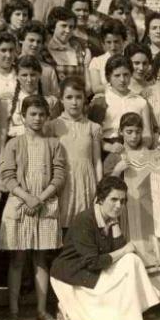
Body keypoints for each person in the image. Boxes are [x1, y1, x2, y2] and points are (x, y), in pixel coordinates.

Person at [50, 176, 160, 320]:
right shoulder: (85, 220)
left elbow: (121, 253)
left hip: (92, 272)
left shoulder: (110, 217)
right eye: (113, 199)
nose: (118, 205)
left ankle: (133, 312)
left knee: (131, 260)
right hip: (73, 276)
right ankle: (66, 308)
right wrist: (124, 250)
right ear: (100, 199)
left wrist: (115, 225)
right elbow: (94, 262)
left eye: (122, 201)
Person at [0, 95, 66, 320]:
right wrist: (27, 198)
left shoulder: (54, 144)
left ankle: (41, 311)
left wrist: (40, 199)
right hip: (19, 204)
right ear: (23, 116)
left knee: (40, 259)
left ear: (47, 117)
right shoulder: (13, 144)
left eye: (41, 114)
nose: (37, 119)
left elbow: (59, 176)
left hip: (44, 205)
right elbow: (7, 177)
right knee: (17, 259)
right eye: (32, 114)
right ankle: (13, 313)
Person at [47, 77, 102, 229]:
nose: (74, 102)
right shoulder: (53, 126)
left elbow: (97, 161)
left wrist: (99, 186)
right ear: (61, 99)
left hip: (86, 179)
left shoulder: (93, 127)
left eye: (78, 97)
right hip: (63, 179)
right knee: (62, 222)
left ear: (84, 99)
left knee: (84, 224)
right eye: (69, 97)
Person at [44, 6, 93, 93]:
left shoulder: (79, 50)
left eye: (71, 27)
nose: (68, 30)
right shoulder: (44, 52)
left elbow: (88, 85)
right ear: (53, 27)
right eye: (64, 26)